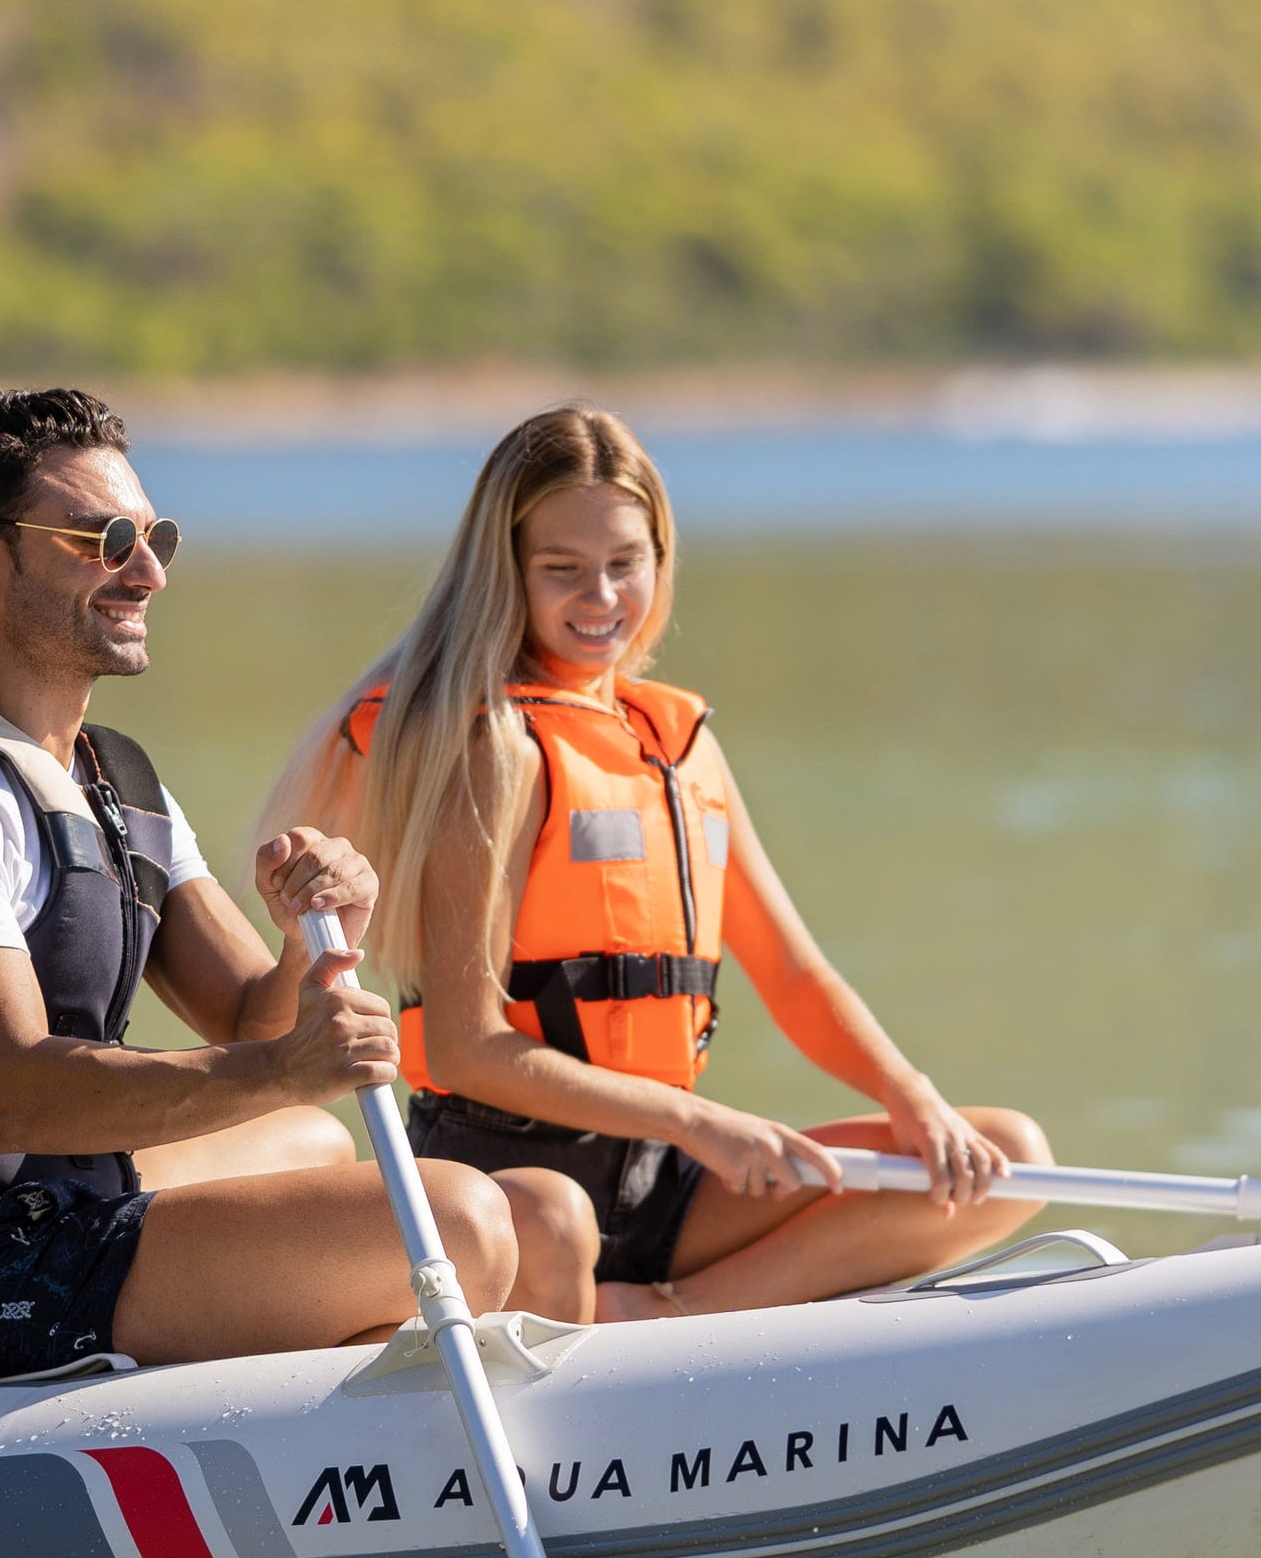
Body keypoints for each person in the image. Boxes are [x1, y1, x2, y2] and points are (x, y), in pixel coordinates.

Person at [0, 385, 589, 1388]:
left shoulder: (115, 778)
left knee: (442, 1185)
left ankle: (385, 1435)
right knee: (460, 1219)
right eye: (103, 539)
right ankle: (371, 1433)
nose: (149, 570)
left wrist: (310, 937)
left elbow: (250, 1020)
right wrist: (283, 1067)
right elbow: (10, 1098)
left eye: (155, 536)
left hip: (57, 1210)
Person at [262, 404, 1052, 1319]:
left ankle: (672, 1311)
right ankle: (635, 1319)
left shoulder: (676, 744)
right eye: (563, 568)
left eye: (625, 563)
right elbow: (467, 1049)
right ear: (506, 573)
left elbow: (794, 974)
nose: (600, 596)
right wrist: (700, 1120)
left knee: (1006, 1157)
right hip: (510, 1187)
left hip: (660, 1176)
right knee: (556, 1222)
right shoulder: (492, 749)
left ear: (660, 561)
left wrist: (915, 1100)